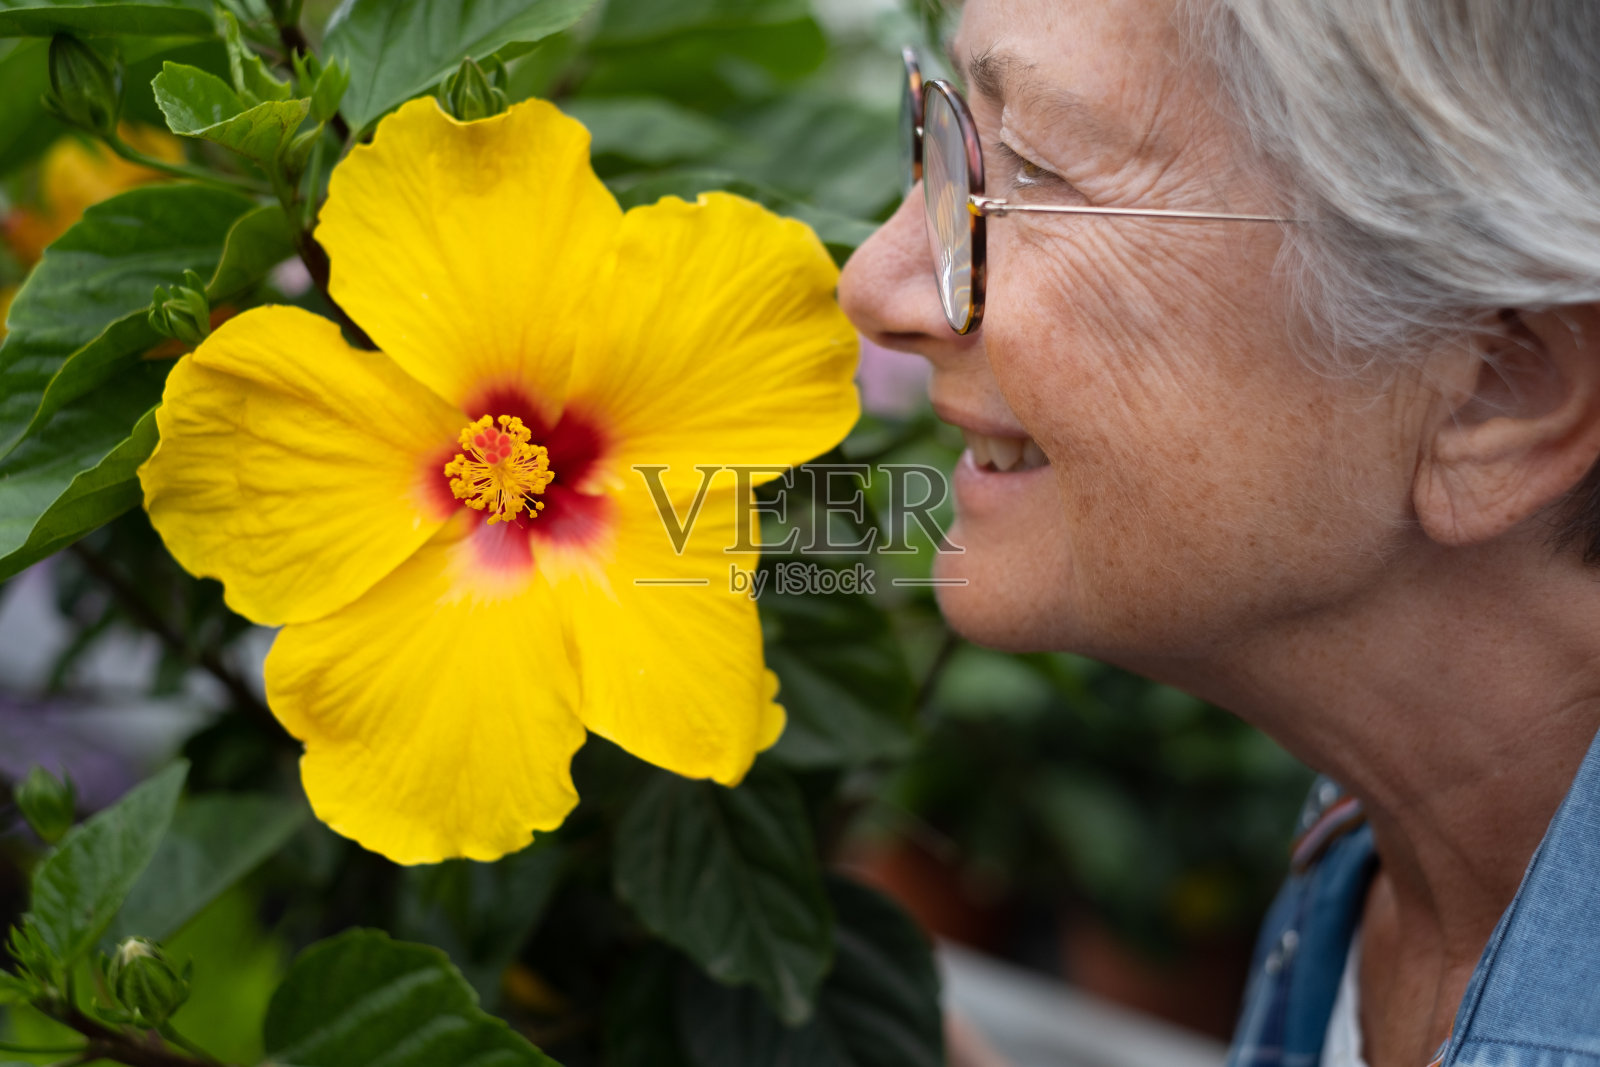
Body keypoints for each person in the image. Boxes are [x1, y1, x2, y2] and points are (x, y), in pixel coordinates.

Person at [836, 1, 1600, 1065]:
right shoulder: (1397, 839)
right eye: (954, 133)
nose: (874, 283)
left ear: (1495, 391)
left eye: (1036, 169)